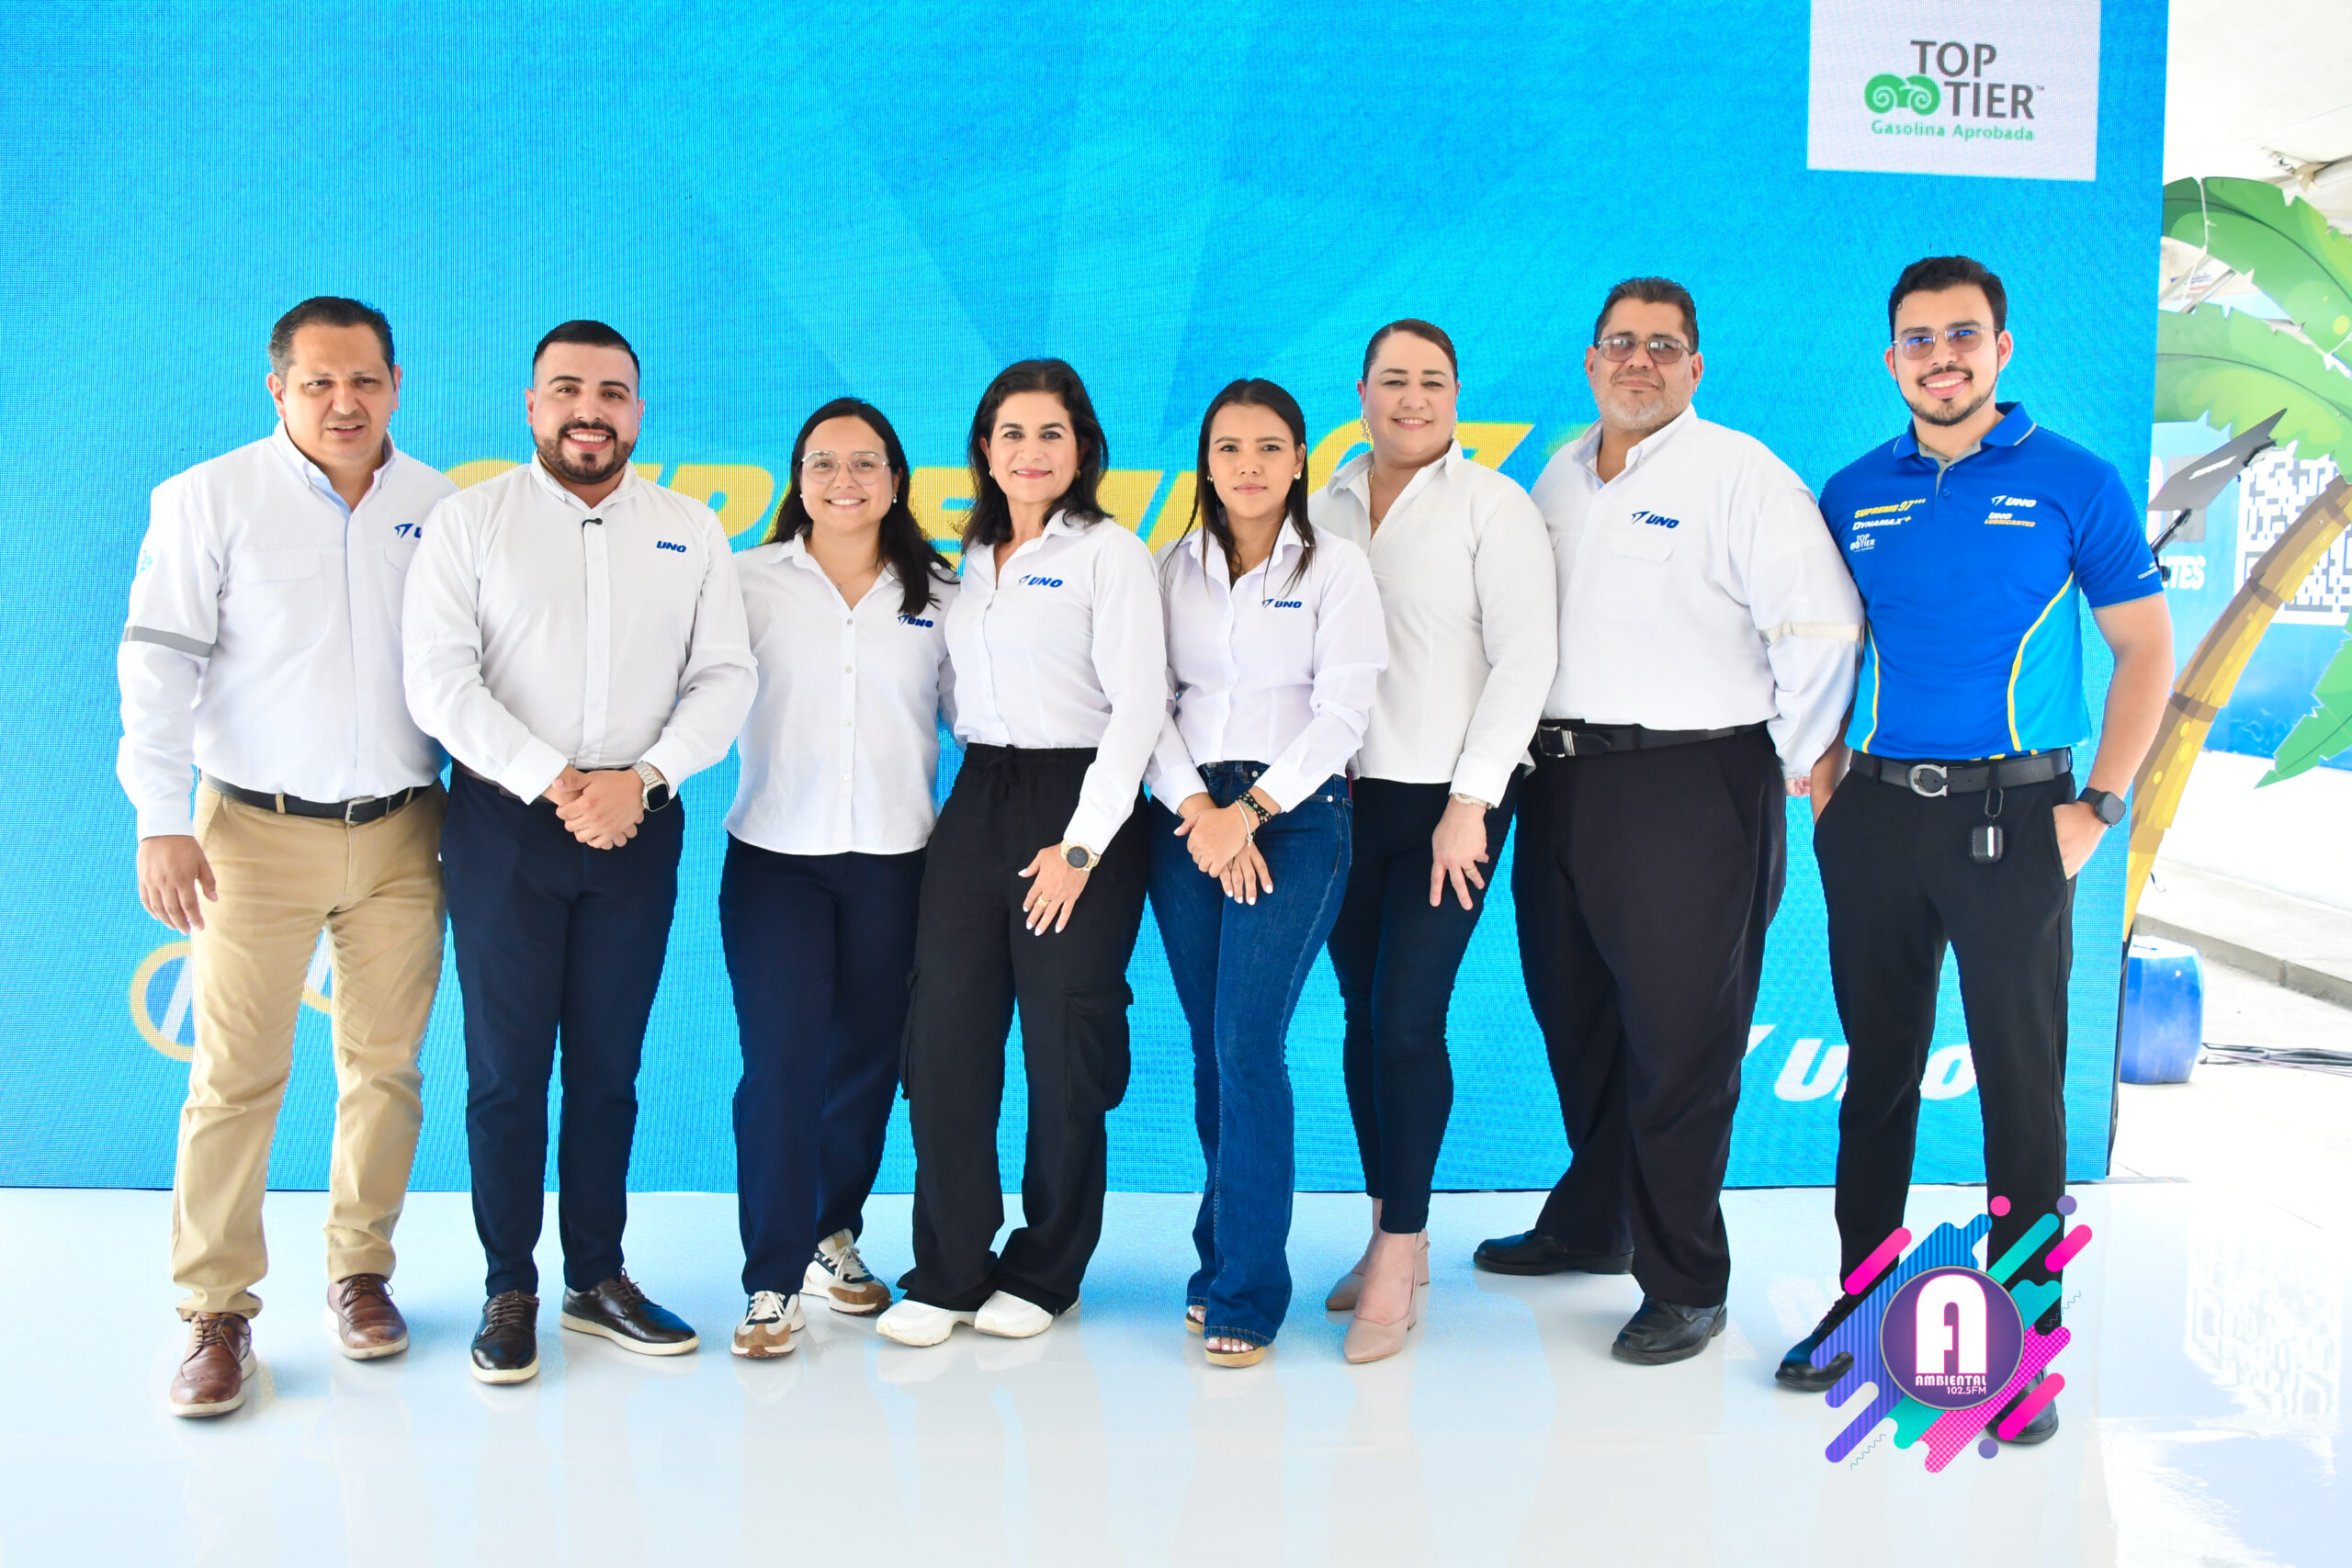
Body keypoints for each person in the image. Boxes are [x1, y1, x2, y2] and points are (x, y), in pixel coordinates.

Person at [1776, 256, 2172, 1445]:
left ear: (2001, 349)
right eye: (1918, 338)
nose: (1940, 356)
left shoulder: (2074, 480)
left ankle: (2026, 1344)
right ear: (1891, 358)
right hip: (1874, 819)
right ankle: (1862, 1305)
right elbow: (1821, 641)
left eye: (1961, 335)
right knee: (1877, 1075)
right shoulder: (1853, 491)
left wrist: (2101, 804)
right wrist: (1823, 775)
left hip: (2018, 819)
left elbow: (2146, 649)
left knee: (2020, 1085)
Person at [1476, 277, 1864, 1364]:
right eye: (1619, 343)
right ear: (1590, 362)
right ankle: (1594, 1220)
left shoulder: (1740, 474)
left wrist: (1792, 758)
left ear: (1694, 366)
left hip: (1691, 785)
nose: (1637, 361)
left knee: (1679, 1042)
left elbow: (1821, 626)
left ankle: (1687, 1280)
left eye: (1661, 346)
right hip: (1560, 781)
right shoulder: (1559, 475)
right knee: (1576, 1016)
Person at [402, 320, 756, 1383]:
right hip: (507, 823)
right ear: (532, 404)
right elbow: (440, 680)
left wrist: (640, 780)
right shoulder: (470, 521)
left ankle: (596, 1278)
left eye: (610, 392)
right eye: (566, 389)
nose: (588, 410)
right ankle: (508, 1284)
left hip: (636, 822)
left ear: (637, 410)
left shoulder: (689, 528)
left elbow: (725, 676)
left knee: (608, 1070)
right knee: (507, 1074)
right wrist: (556, 780)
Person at [120, 297, 454, 1416]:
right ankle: (216, 1311)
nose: (343, 402)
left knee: (386, 1067)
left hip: (404, 829)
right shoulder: (209, 497)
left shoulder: (441, 508)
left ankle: (361, 1274)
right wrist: (159, 819)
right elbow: (157, 667)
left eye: (363, 380)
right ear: (279, 390)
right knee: (234, 1076)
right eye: (318, 383)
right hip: (250, 836)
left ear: (395, 385)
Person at [876, 359, 1166, 1348]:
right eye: (1011, 433)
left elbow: (1139, 707)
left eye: (1051, 433)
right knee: (944, 1039)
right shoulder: (969, 558)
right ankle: (950, 1268)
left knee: (1063, 1043)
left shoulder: (1110, 554)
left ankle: (1047, 1268)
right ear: (984, 449)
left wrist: (1080, 846)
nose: (1030, 452)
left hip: (1079, 804)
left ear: (1082, 448)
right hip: (979, 799)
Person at [1311, 321, 1557, 1364]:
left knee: (1408, 1018)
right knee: (1361, 1017)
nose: (1412, 397)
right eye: (1393, 380)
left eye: (1433, 381)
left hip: (1450, 805)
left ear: (1455, 394)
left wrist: (1473, 800)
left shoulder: (1491, 506)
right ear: (1362, 390)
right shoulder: (1322, 504)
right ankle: (1384, 1232)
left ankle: (1404, 1252)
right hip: (1338, 803)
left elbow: (1526, 658)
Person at [1145, 378, 1387, 1367]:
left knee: (1248, 1043)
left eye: (1269, 447)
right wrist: (1199, 811)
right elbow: (1145, 704)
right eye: (1229, 448)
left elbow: (1344, 713)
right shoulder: (1169, 570)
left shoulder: (1336, 568)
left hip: (1296, 816)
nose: (1249, 465)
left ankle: (1248, 1289)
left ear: (1298, 461)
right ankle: (1218, 1261)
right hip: (1185, 817)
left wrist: (1248, 813)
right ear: (1206, 464)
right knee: (1212, 1049)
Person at [720, 398, 957, 1358]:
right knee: (781, 1065)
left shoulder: (941, 592)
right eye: (822, 462)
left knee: (865, 1062)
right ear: (798, 477)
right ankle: (769, 1280)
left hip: (897, 863)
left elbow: (977, 717)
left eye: (865, 463)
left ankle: (830, 1233)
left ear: (896, 480)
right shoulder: (746, 581)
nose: (843, 480)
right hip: (776, 860)